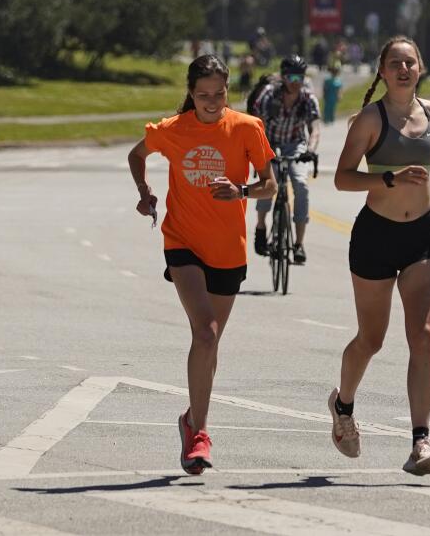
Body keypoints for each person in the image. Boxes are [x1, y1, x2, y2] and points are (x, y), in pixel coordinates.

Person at [128, 53, 276, 475]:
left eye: (219, 94)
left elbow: (271, 186)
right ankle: (201, 434)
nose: (211, 102)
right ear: (190, 94)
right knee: (206, 333)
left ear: (228, 91)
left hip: (228, 250)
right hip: (183, 243)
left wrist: (242, 191)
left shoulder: (247, 128)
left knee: (209, 344)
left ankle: (189, 420)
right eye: (202, 95)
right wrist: (145, 191)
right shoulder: (173, 130)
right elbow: (136, 155)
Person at [328, 35, 430, 477]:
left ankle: (420, 442)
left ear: (421, 67)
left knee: (423, 335)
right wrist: (388, 179)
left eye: (410, 61)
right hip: (375, 236)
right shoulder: (371, 119)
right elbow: (342, 179)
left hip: (423, 235)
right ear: (383, 71)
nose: (404, 68)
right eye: (395, 63)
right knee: (372, 339)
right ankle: (343, 404)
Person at [253, 54, 321, 263]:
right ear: (283, 77)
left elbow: (315, 128)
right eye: (291, 77)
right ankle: (261, 226)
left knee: (301, 185)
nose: (295, 82)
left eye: (299, 77)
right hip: (269, 142)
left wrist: (310, 149)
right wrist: (261, 151)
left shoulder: (307, 98)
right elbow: (257, 124)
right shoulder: (268, 95)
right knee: (268, 184)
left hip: (295, 144)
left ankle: (299, 244)